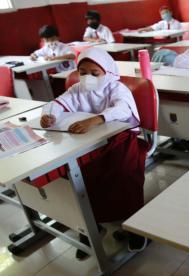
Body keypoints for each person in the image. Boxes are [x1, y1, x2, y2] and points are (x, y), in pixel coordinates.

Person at [40, 48, 148, 258]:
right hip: (91, 144)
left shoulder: (116, 87)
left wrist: (96, 119)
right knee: (79, 177)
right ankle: (91, 225)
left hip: (120, 142)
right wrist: (49, 115)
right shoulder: (77, 89)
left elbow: (124, 109)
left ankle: (135, 226)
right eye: (82, 72)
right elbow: (56, 104)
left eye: (94, 73)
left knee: (123, 175)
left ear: (106, 72)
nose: (87, 77)